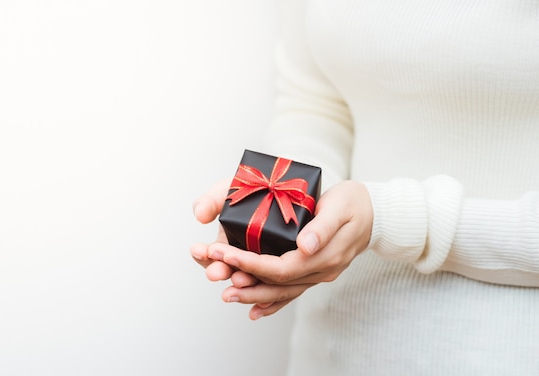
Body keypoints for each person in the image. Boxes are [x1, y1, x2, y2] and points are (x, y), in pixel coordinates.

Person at [190, 0, 539, 374]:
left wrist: (388, 219)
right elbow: (315, 100)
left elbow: (380, 216)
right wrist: (299, 220)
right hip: (334, 345)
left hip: (503, 349)